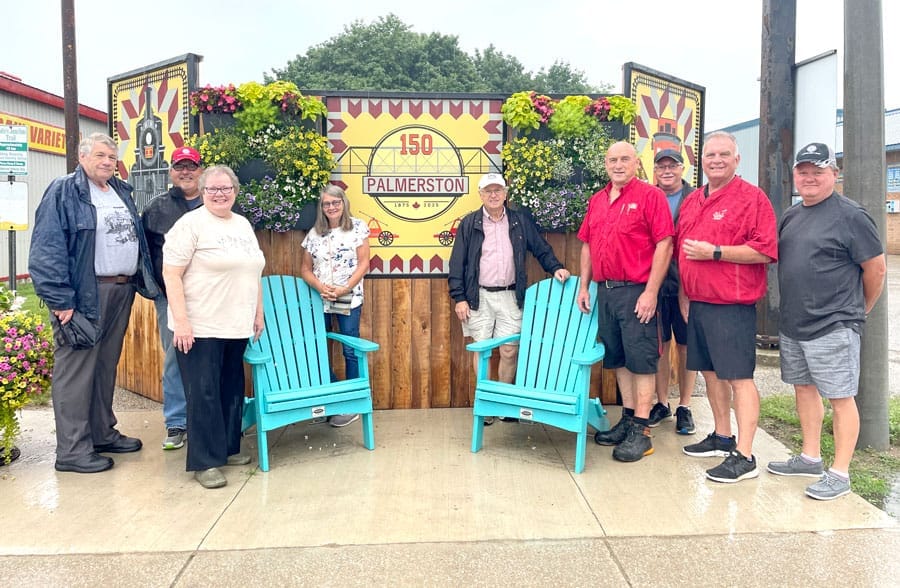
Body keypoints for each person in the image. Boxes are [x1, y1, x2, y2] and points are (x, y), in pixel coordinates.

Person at [29, 132, 160, 474]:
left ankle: (102, 433)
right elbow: (47, 248)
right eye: (100, 155)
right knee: (75, 372)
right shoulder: (64, 191)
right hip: (85, 294)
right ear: (82, 156)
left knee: (104, 367)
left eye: (112, 157)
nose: (107, 162)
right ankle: (72, 450)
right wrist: (60, 301)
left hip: (121, 288)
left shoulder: (119, 190)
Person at [767, 142, 886, 500]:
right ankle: (810, 457)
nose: (809, 177)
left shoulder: (851, 215)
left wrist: (857, 309)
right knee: (804, 390)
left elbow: (876, 269)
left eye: (818, 171)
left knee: (840, 397)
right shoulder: (792, 214)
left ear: (834, 174)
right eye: (803, 171)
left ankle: (840, 473)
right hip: (794, 323)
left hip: (833, 324)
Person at [676, 130, 778, 483]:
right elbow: (682, 251)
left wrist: (716, 252)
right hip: (699, 303)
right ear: (701, 161)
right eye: (710, 155)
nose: (716, 160)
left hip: (732, 305)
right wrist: (684, 294)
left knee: (739, 378)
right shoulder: (693, 199)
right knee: (710, 373)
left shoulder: (752, 198)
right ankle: (722, 436)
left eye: (724, 155)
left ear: (737, 159)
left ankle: (745, 455)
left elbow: (765, 250)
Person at [163, 165, 265, 489]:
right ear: (203, 191)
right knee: (203, 392)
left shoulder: (243, 224)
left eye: (226, 189)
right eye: (213, 189)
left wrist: (257, 312)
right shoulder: (190, 225)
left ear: (235, 191)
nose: (220, 194)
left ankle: (227, 448)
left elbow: (254, 271)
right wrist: (181, 322)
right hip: (200, 325)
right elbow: (171, 274)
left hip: (236, 324)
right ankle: (205, 461)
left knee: (230, 388)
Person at [448, 172, 570, 425]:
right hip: (477, 296)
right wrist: (459, 297)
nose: (493, 195)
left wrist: (556, 267)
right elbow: (457, 262)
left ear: (505, 194)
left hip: (510, 295)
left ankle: (504, 402)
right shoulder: (469, 224)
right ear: (480, 194)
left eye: (498, 191)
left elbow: (540, 248)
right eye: (488, 191)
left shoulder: (519, 221)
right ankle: (487, 404)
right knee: (482, 351)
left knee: (509, 350)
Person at [580, 141, 674, 462]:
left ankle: (643, 431)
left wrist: (650, 291)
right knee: (618, 359)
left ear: (636, 163)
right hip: (606, 292)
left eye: (624, 159)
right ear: (605, 164)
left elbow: (664, 245)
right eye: (612, 160)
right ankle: (628, 418)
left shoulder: (651, 197)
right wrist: (584, 287)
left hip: (637, 291)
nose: (618, 165)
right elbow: (587, 245)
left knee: (642, 359)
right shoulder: (597, 200)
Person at [142, 146, 205, 450]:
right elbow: (144, 252)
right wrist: (153, 290)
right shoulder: (157, 208)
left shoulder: (215, 203)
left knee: (210, 356)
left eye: (191, 166)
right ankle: (177, 421)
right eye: (180, 166)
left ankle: (205, 419)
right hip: (170, 297)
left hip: (210, 298)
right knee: (174, 359)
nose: (185, 172)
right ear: (171, 172)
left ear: (200, 170)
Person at [299, 185, 371, 428]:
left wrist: (345, 287)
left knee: (350, 349)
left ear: (343, 203)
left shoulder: (358, 227)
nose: (331, 207)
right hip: (321, 299)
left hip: (348, 298)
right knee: (318, 349)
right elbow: (305, 269)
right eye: (326, 204)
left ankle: (352, 403)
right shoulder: (313, 235)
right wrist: (320, 287)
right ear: (321, 207)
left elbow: (364, 263)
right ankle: (330, 397)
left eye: (335, 202)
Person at [649, 149, 697, 435]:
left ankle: (685, 405)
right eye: (661, 166)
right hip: (656, 284)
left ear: (682, 168)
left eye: (672, 165)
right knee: (660, 346)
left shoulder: (696, 198)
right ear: (655, 170)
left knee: (686, 346)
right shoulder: (649, 197)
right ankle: (662, 402)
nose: (667, 171)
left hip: (687, 285)